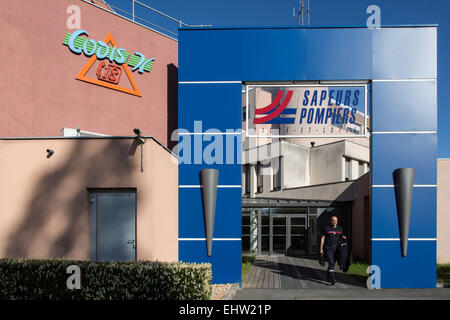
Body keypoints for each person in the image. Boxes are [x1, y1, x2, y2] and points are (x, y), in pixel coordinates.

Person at [320, 216, 346, 285]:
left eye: (336, 220)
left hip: (336, 249)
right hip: (328, 248)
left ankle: (328, 277)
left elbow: (341, 236)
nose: (334, 222)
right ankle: (332, 278)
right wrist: (321, 248)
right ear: (331, 221)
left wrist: (343, 237)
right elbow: (322, 238)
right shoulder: (326, 228)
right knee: (331, 262)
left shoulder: (340, 229)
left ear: (337, 221)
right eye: (333, 220)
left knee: (332, 264)